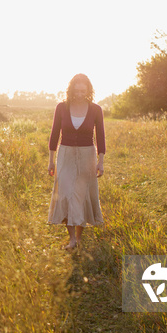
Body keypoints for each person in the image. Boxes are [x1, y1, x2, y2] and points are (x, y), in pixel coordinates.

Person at [47, 73, 105, 250]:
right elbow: (54, 134)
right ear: (71, 89)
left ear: (88, 90)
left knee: (81, 197)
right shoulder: (61, 108)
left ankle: (78, 239)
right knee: (65, 195)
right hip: (65, 155)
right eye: (76, 89)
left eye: (83, 90)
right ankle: (71, 238)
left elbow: (101, 137)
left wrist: (100, 162)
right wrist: (51, 161)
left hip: (87, 155)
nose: (79, 93)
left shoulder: (96, 109)